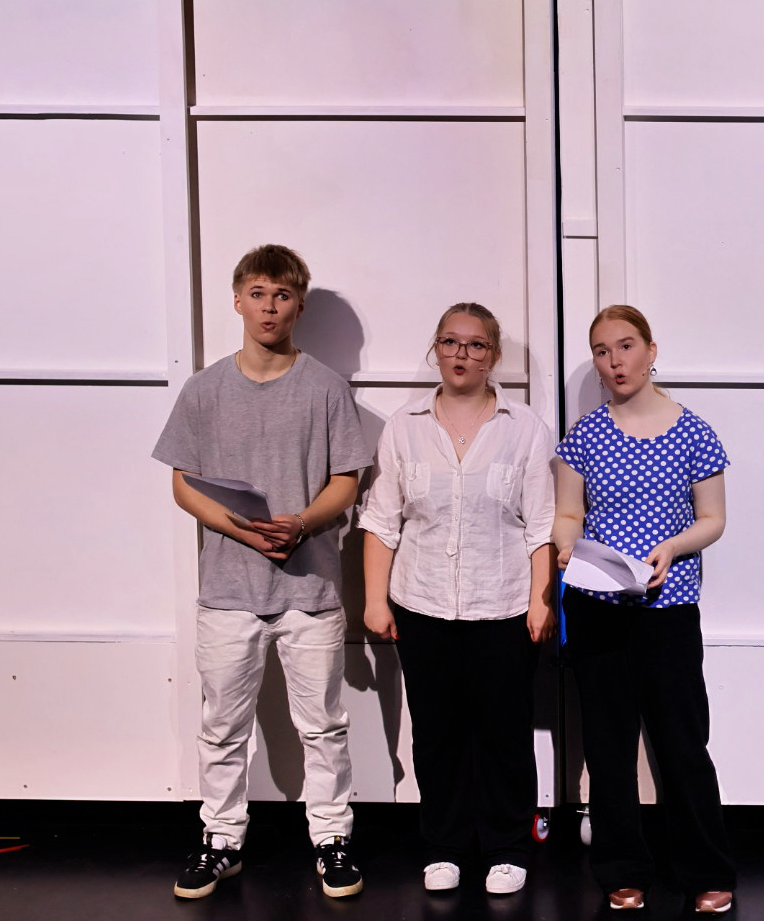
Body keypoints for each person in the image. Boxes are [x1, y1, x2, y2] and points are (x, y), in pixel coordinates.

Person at [152, 244, 372, 899]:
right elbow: (183, 483)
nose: (269, 306)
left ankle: (331, 841)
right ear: (237, 301)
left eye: (281, 295)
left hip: (311, 590)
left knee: (324, 727)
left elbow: (346, 481)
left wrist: (300, 523)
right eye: (257, 293)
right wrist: (241, 529)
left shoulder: (326, 387)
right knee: (222, 726)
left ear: (298, 304)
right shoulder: (204, 389)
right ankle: (220, 841)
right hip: (227, 590)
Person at [358, 303, 557, 895]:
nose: (462, 354)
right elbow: (382, 521)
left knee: (504, 732)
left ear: (493, 355)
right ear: (436, 349)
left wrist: (542, 601)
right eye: (450, 342)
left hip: (504, 605)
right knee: (436, 733)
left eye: (475, 344)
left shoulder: (525, 428)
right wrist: (375, 599)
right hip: (422, 604)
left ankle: (506, 847)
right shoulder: (404, 426)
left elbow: (541, 525)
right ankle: (443, 846)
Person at [553, 305, 736, 914]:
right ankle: (622, 868)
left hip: (667, 608)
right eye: (602, 351)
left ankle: (705, 870)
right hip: (598, 606)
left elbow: (713, 519)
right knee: (607, 746)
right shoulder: (585, 435)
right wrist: (565, 546)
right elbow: (569, 513)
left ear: (651, 351)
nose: (615, 361)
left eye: (626, 346)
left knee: (682, 743)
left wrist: (673, 547)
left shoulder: (694, 432)